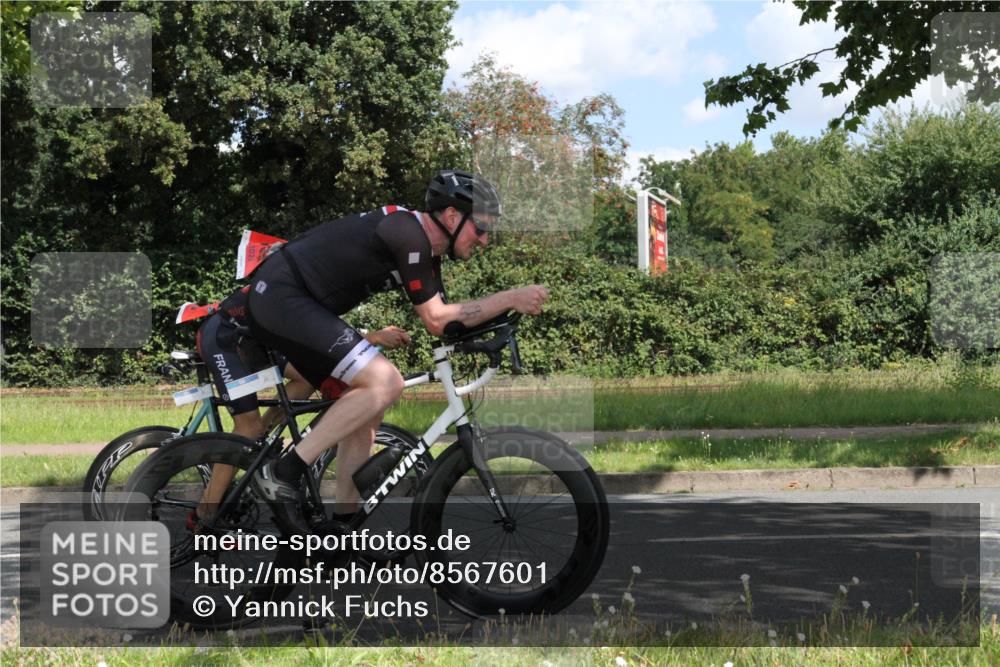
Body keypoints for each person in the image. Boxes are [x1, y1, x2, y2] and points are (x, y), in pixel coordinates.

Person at [246, 170, 548, 525]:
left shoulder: (426, 254)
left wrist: (498, 327)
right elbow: (437, 319)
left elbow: (449, 323)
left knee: (368, 405)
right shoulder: (407, 233)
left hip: (298, 303)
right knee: (385, 381)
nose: (484, 240)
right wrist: (510, 297)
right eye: (480, 228)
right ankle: (285, 470)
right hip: (282, 295)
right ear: (452, 216)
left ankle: (344, 523)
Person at [190, 284, 411, 527]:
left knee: (307, 378)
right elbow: (327, 338)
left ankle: (263, 434)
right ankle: (204, 514)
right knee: (247, 428)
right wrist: (371, 337)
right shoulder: (305, 279)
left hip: (255, 339)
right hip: (225, 336)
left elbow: (329, 336)